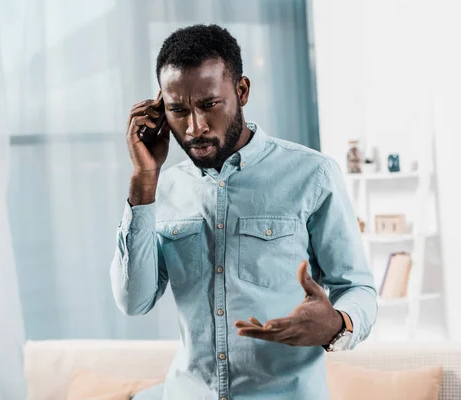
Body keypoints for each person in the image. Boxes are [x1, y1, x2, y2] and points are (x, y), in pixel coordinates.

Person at [110, 24, 377, 400]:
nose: (194, 128)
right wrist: (144, 178)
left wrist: (338, 323)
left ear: (241, 91)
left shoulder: (312, 174)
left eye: (208, 105)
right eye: (178, 110)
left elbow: (358, 288)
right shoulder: (163, 189)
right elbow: (133, 301)